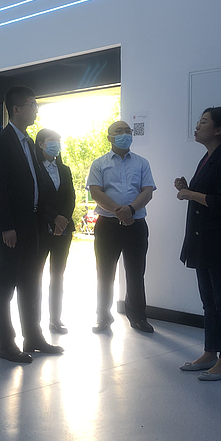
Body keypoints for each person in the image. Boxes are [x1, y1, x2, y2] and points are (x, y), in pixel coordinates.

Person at [0, 86, 63, 362]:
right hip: (10, 228)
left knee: (31, 284)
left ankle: (33, 337)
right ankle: (5, 344)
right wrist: (7, 226)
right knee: (5, 288)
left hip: (32, 226)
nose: (36, 110)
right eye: (32, 105)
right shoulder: (0, 141)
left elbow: (36, 185)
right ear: (16, 109)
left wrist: (48, 218)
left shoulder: (29, 142)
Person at [175, 107, 221, 381]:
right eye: (199, 121)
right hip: (204, 240)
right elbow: (207, 193)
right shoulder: (208, 157)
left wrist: (190, 194)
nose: (197, 126)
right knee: (209, 301)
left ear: (219, 130)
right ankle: (210, 352)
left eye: (203, 122)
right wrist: (187, 188)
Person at [87, 120, 156, 333]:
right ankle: (103, 317)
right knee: (104, 273)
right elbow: (96, 192)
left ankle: (138, 317)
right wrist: (119, 211)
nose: (124, 134)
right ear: (110, 137)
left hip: (136, 225)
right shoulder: (99, 163)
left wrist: (131, 210)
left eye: (128, 131)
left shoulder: (142, 163)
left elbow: (147, 191)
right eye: (119, 131)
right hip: (107, 226)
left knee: (136, 273)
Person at [34, 128, 75, 334]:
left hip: (64, 230)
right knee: (35, 275)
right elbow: (36, 198)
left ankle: (55, 319)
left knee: (58, 275)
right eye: (52, 140)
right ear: (41, 144)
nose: (56, 144)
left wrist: (63, 219)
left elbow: (71, 197)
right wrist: (54, 218)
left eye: (58, 141)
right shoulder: (34, 168)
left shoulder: (64, 169)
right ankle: (34, 322)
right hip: (40, 229)